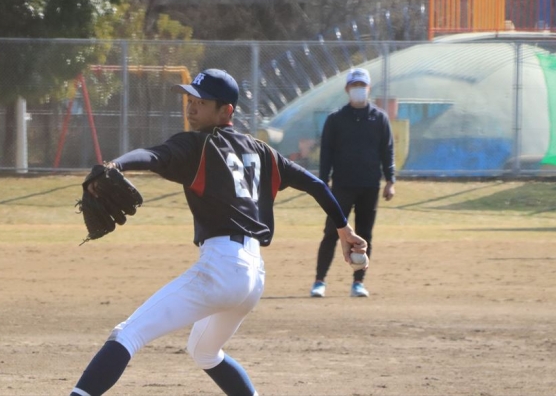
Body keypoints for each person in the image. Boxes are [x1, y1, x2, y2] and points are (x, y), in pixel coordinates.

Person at [69, 68, 367, 396]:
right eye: (190, 99)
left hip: (222, 267)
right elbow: (316, 184)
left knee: (127, 334)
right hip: (252, 278)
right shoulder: (262, 151)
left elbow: (153, 156)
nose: (192, 106)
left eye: (202, 101)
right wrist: (344, 229)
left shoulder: (196, 145)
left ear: (226, 110)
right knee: (205, 352)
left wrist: (116, 165)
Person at [310, 67, 395, 298]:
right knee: (331, 232)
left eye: (362, 86)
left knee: (364, 235)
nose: (358, 89)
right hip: (342, 186)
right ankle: (319, 281)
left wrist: (390, 180)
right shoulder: (335, 119)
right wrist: (322, 183)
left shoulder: (379, 119)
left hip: (370, 186)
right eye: (354, 85)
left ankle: (358, 282)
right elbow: (326, 153)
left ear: (369, 88)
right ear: (347, 89)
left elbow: (387, 150)